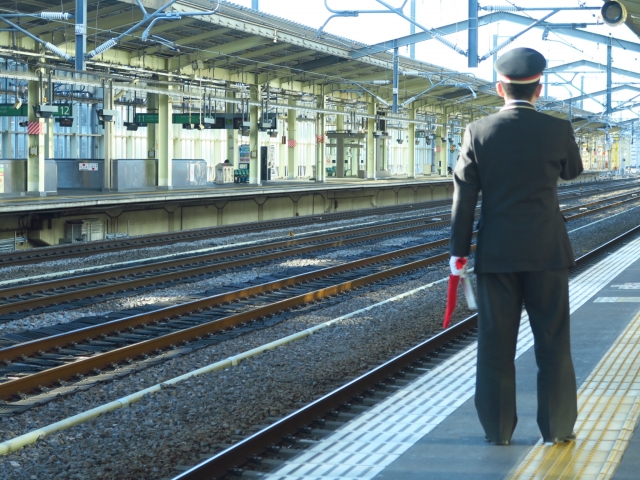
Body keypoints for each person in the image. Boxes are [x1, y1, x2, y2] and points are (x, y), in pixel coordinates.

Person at [449, 48, 583, 446]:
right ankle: (557, 429)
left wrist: (459, 252)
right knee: (553, 342)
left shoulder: (478, 131)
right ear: (539, 89)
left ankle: (498, 431)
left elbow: (464, 195)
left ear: (498, 87)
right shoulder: (558, 129)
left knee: (495, 344)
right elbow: (573, 172)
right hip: (547, 253)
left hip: (497, 254)